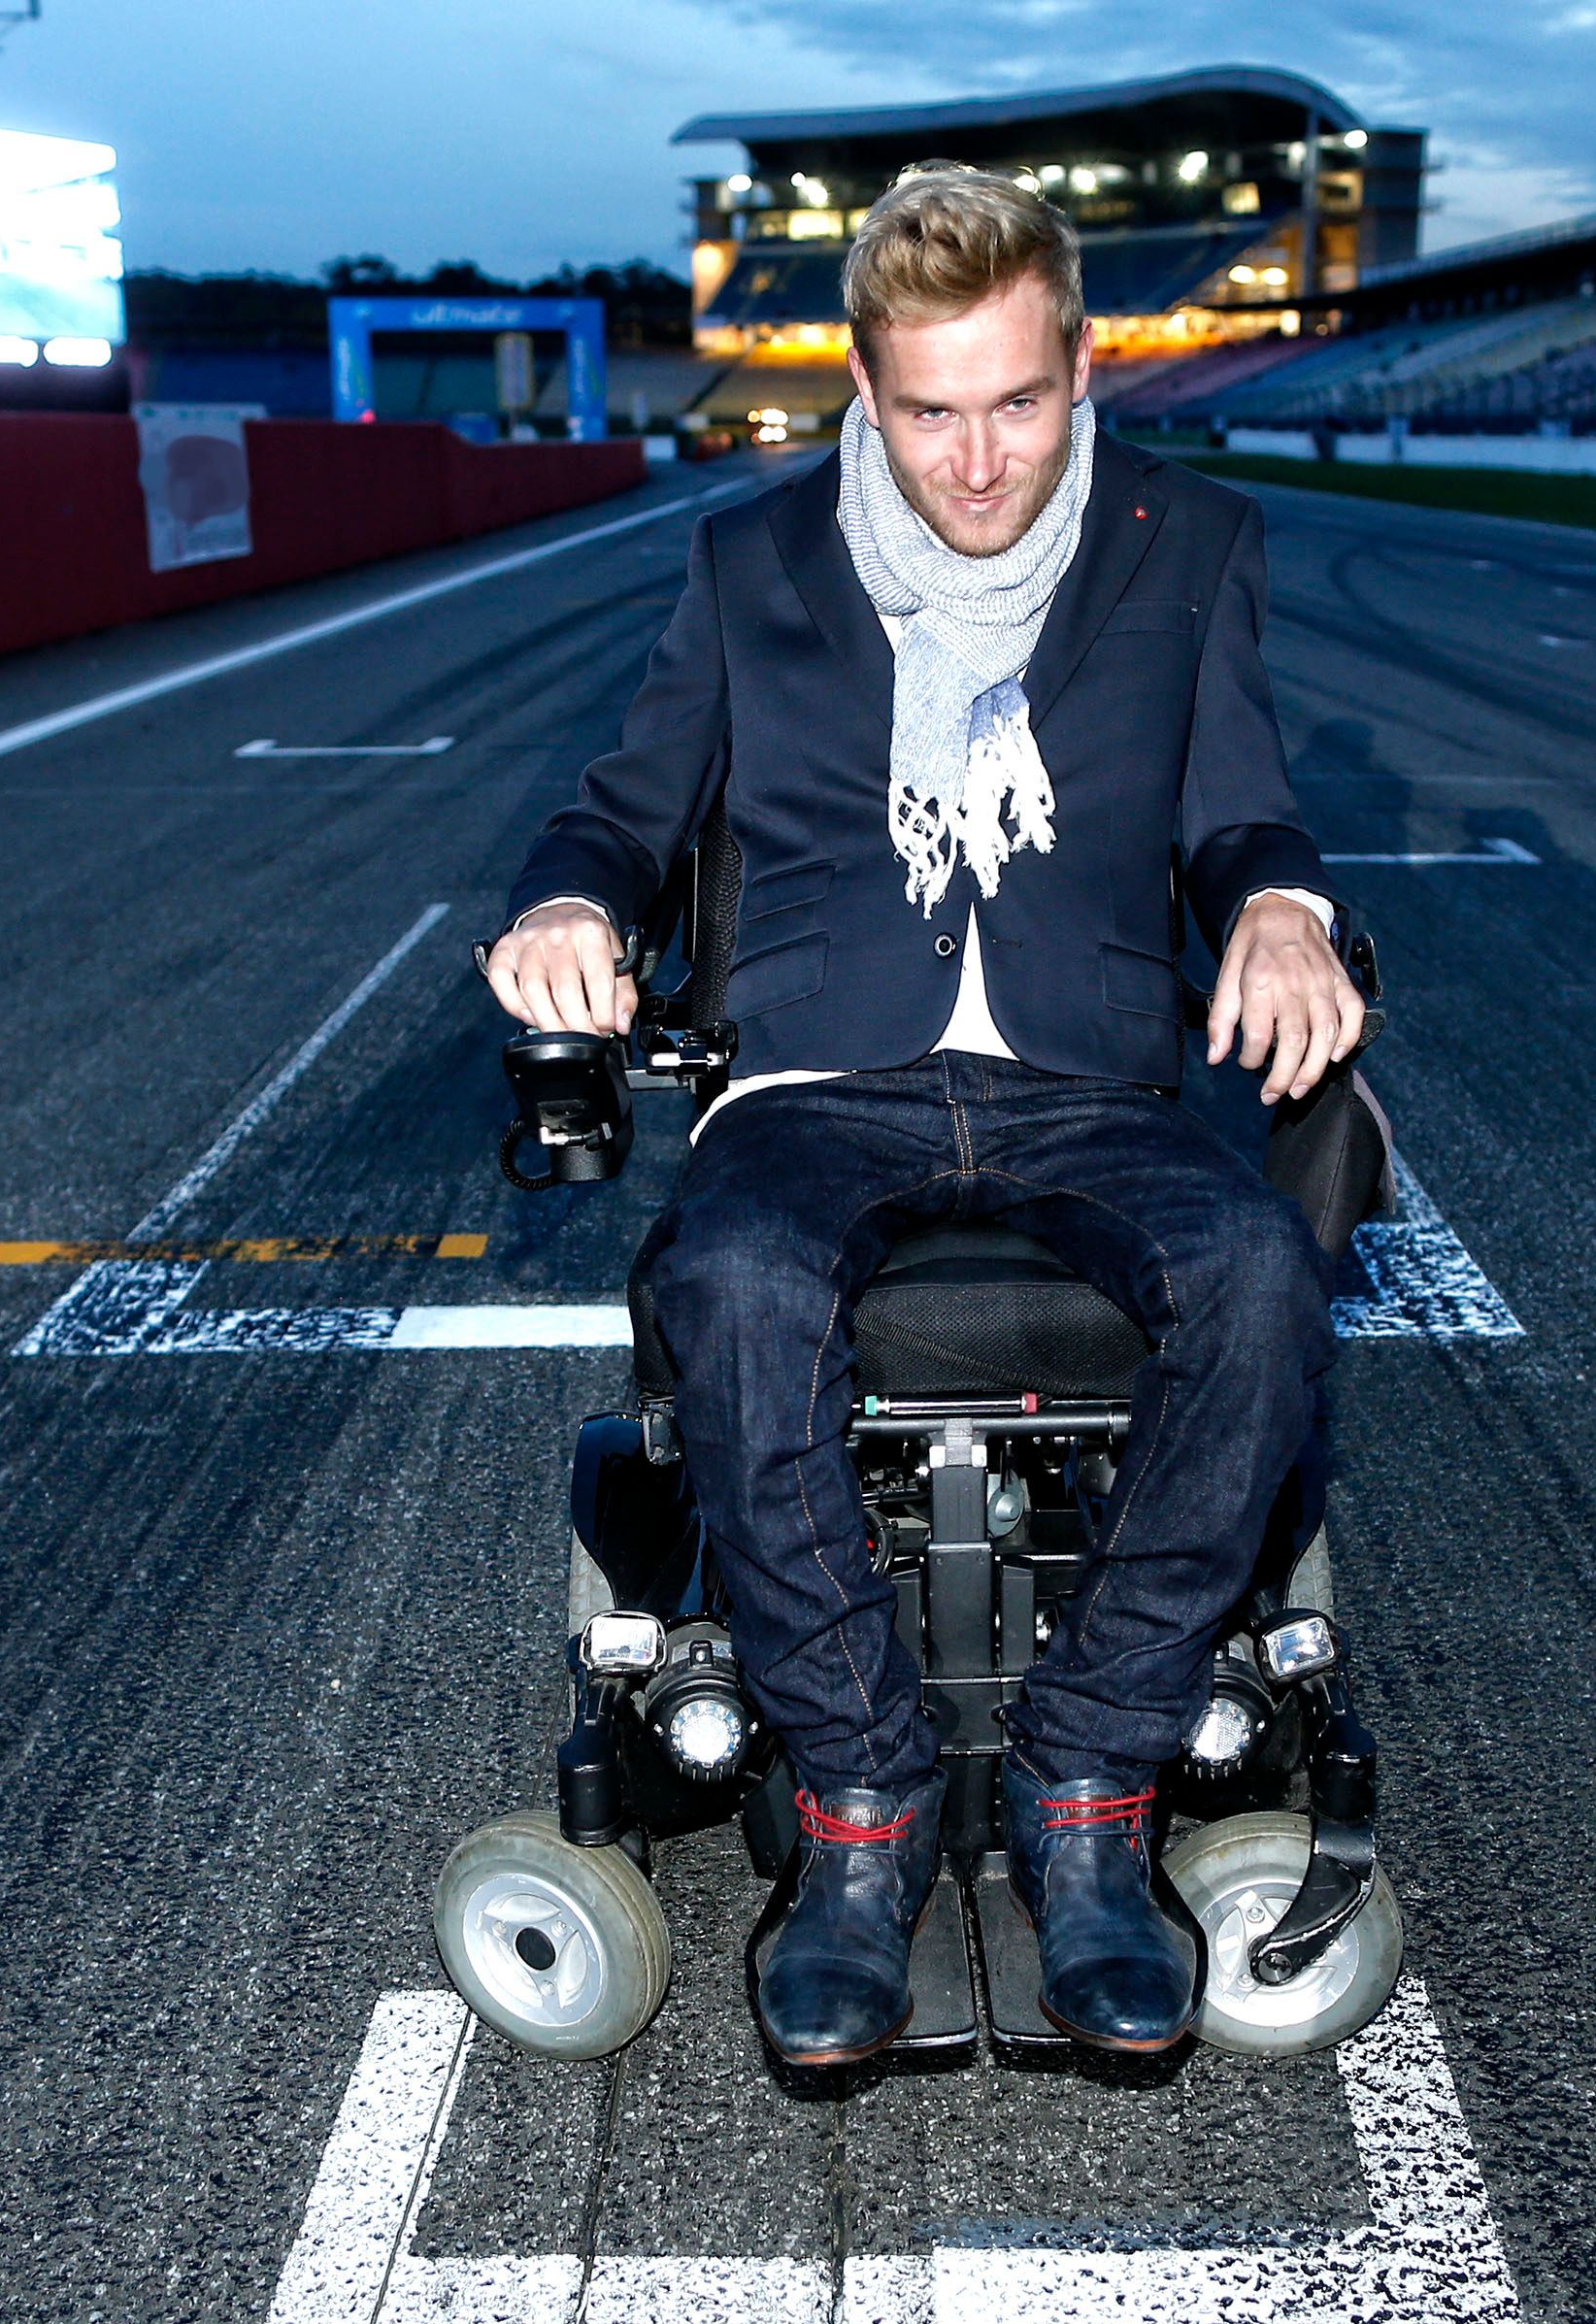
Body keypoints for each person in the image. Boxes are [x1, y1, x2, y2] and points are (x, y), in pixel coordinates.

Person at [482, 164, 1362, 2067]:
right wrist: (566, 905)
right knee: (725, 1279)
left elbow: (1239, 813)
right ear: (863, 395)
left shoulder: (1188, 541)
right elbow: (623, 809)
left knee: (1264, 1275)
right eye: (930, 410)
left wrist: (1285, 911)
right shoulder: (750, 560)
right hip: (820, 1077)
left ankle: (1089, 1785)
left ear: (1084, 368)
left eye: (1018, 402)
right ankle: (864, 1803)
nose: (977, 459)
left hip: (1083, 1076)